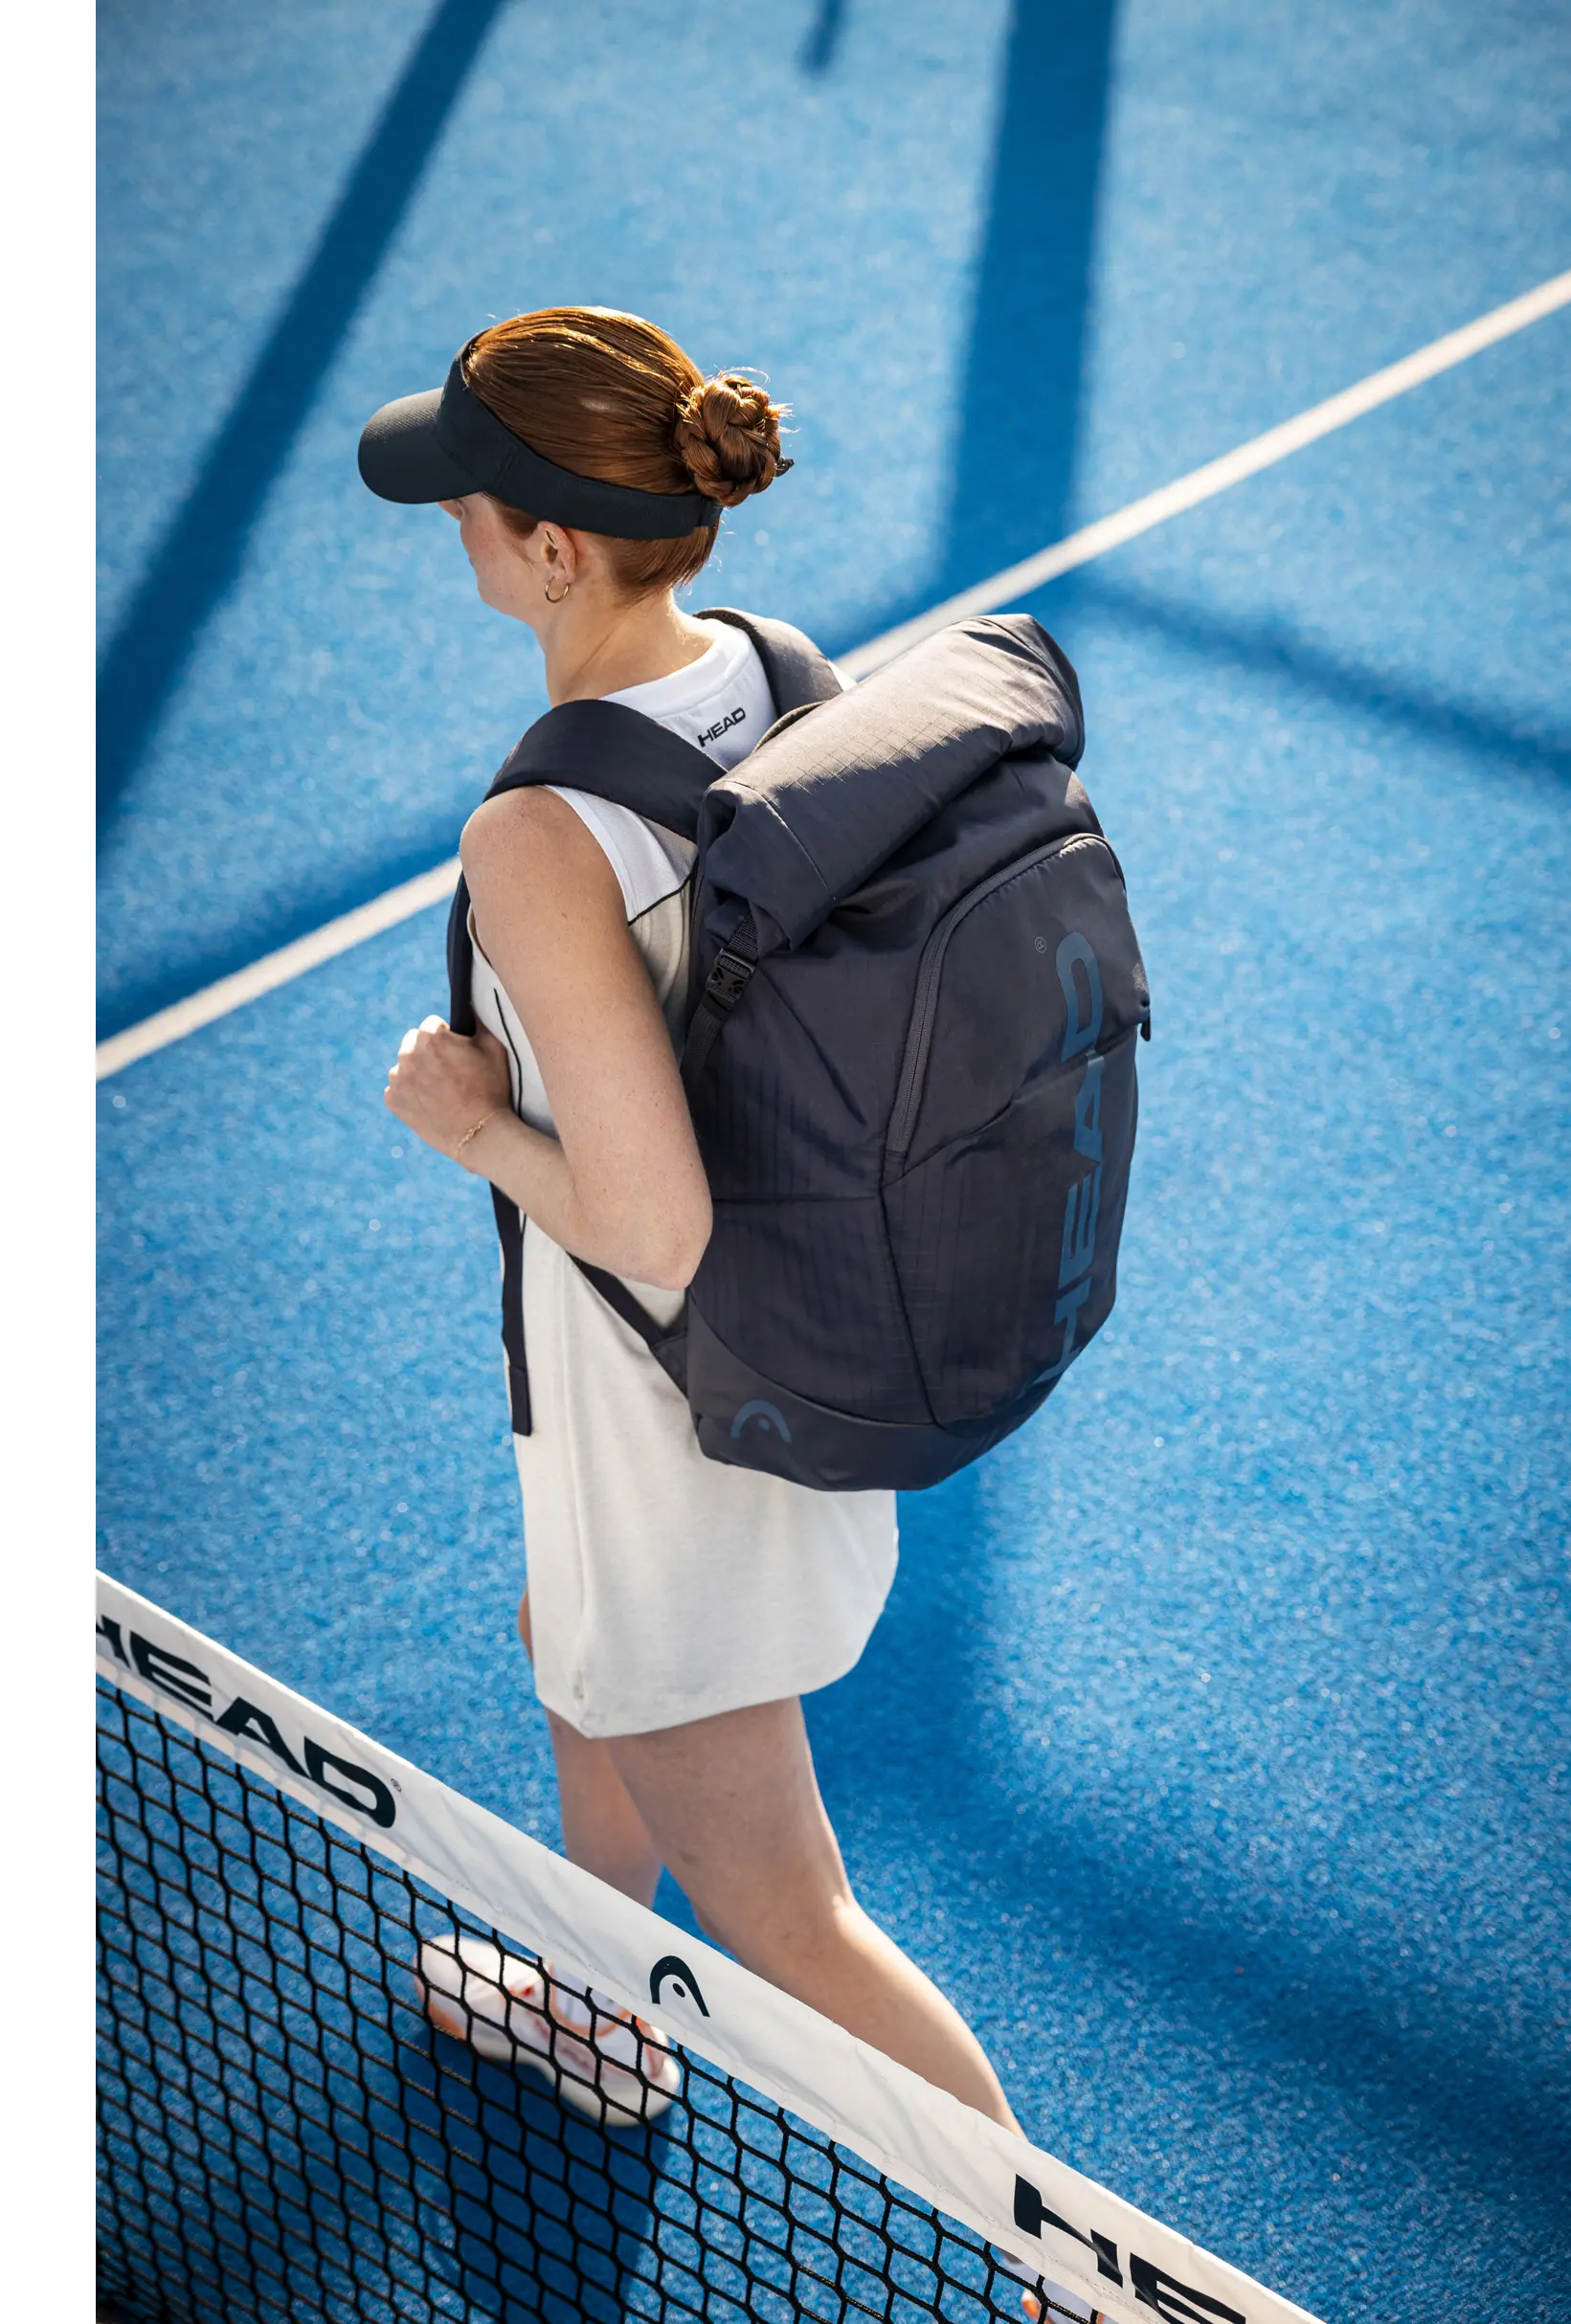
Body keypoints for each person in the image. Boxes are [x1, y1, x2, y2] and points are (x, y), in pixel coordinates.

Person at [361, 308, 1027, 2139]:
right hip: (806, 1334)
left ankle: (1060, 2255)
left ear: (552, 553)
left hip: (673, 1409)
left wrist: (473, 1125)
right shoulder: (780, 668)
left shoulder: (542, 834)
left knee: (789, 1917)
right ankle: (593, 2002)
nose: (455, 525)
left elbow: (648, 1228)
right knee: (568, 1631)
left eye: (472, 502)